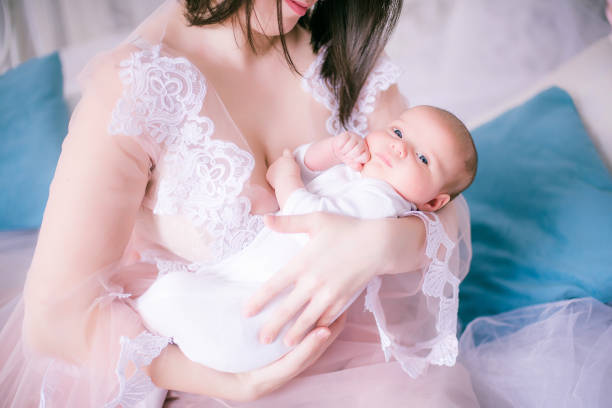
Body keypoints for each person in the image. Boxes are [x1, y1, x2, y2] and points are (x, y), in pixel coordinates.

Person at [0, 0, 479, 406]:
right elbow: (55, 319)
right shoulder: (139, 86)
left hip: (354, 358)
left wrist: (376, 243)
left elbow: (444, 202)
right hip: (200, 372)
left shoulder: (342, 56)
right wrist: (237, 382)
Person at [136, 105, 478, 374]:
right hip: (252, 286)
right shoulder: (359, 174)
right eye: (398, 131)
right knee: (178, 299)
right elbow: (302, 165)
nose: (399, 148)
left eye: (422, 158)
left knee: (178, 305)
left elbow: (311, 222)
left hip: (271, 312)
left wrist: (287, 181)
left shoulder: (383, 202)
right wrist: (330, 151)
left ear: (432, 204)